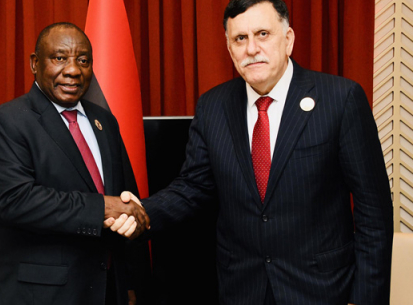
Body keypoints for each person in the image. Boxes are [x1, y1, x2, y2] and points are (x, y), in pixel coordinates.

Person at [117, 0, 394, 304]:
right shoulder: (213, 107)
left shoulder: (340, 99)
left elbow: (374, 214)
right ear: (228, 47)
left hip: (322, 289)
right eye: (240, 38)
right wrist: (142, 211)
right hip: (242, 289)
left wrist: (366, 298)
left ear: (287, 39)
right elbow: (192, 187)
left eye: (263, 34)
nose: (251, 49)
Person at [0, 22, 149, 305]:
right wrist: (105, 206)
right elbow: (16, 201)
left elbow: (126, 196)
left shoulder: (104, 121)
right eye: (59, 58)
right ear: (35, 63)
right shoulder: (6, 121)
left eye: (83, 60)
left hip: (108, 290)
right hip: (42, 295)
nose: (73, 70)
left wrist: (130, 282)